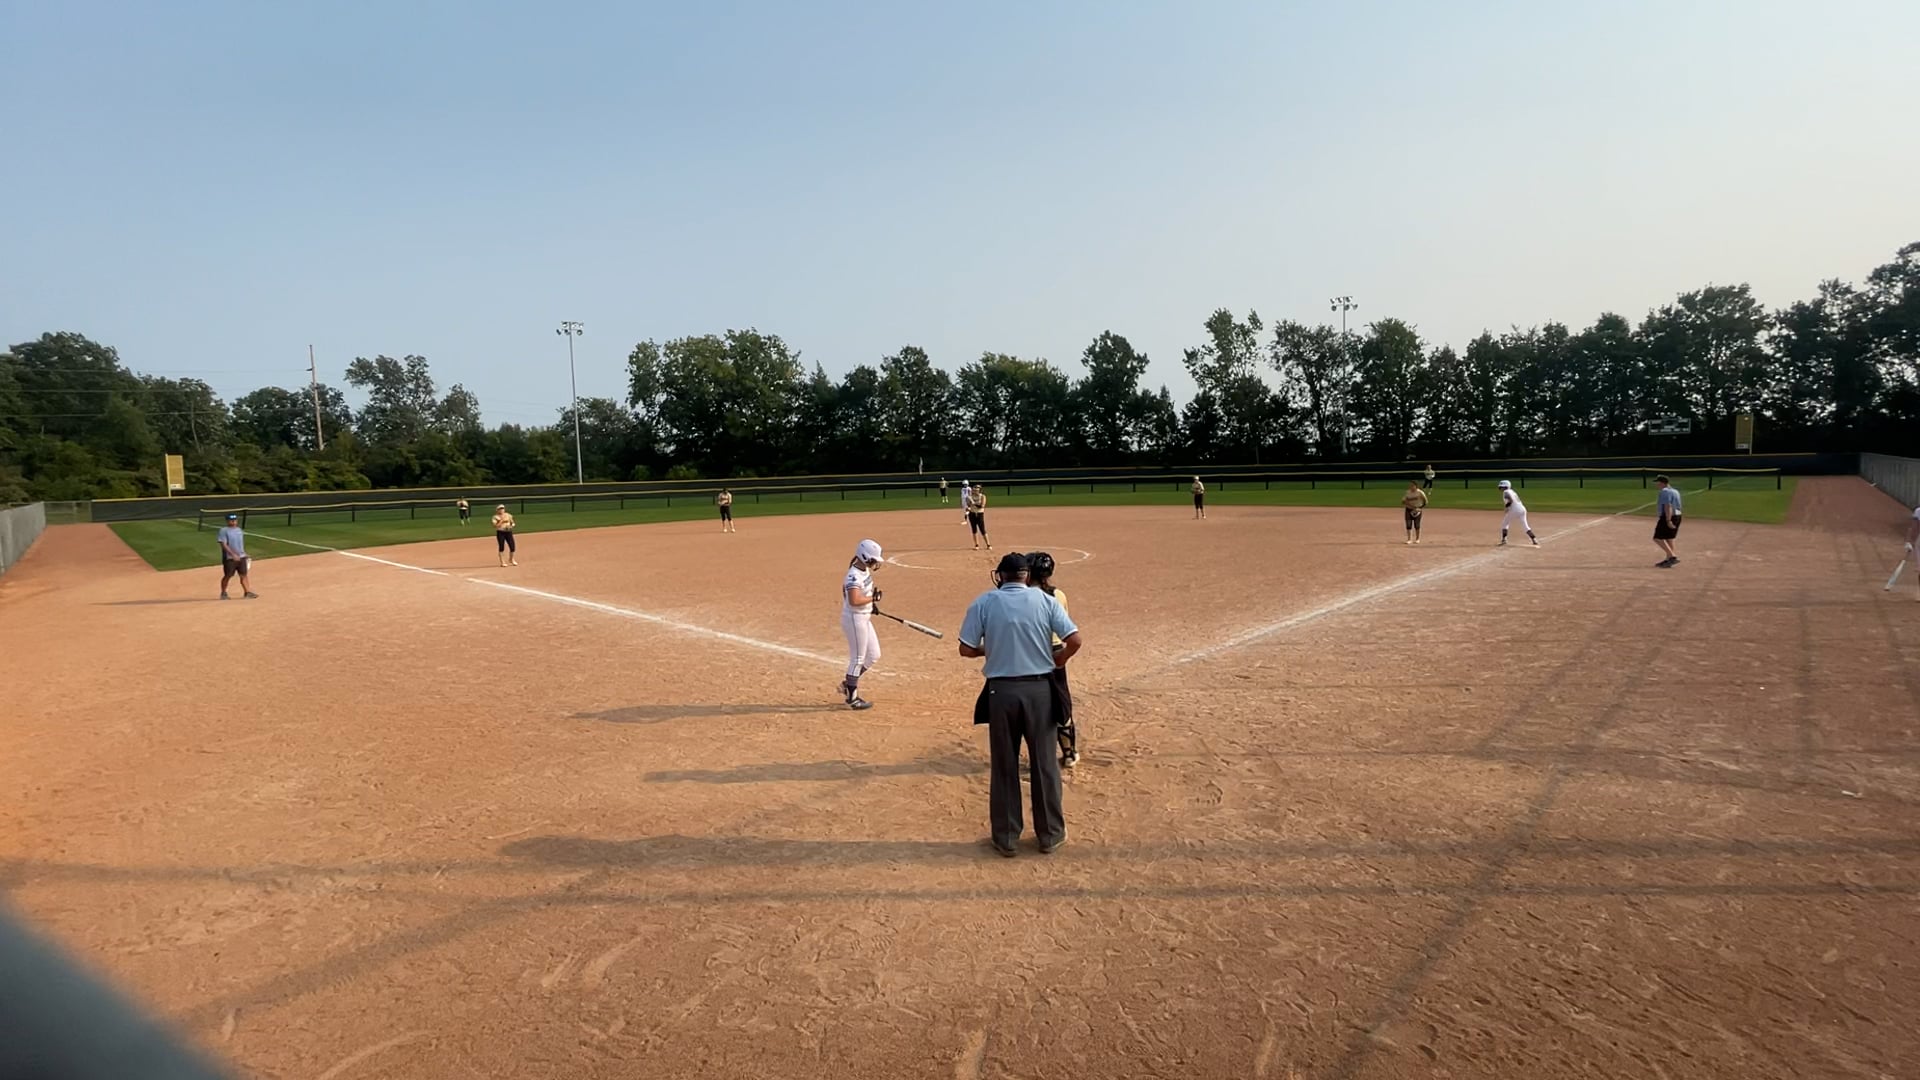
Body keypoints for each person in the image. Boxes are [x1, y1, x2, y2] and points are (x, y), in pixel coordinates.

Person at [960, 552, 1081, 856]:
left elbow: (966, 649)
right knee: (1045, 764)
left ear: (1001, 576)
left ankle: (1006, 836)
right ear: (1026, 576)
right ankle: (1050, 834)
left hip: (1001, 693)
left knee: (1004, 764)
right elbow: (1075, 640)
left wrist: (991, 648)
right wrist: (1058, 661)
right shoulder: (1046, 600)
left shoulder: (984, 602)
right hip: (1040, 690)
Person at [1028, 551, 1078, 769]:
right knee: (1061, 701)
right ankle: (1069, 753)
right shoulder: (1058, 595)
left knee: (1034, 706)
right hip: (1056, 651)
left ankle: (1040, 758)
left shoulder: (1026, 597)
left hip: (1031, 653)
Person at [839, 539, 884, 710]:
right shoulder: (854, 575)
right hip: (854, 619)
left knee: (873, 655)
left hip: (863, 616)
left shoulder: (863, 570)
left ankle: (848, 683)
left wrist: (871, 606)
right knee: (858, 658)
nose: (874, 563)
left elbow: (859, 596)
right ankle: (852, 698)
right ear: (864, 557)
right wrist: (872, 599)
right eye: (873, 560)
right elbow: (854, 600)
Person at [215, 513, 257, 600]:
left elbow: (240, 544)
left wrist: (244, 553)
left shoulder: (239, 530)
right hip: (230, 558)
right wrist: (233, 554)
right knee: (228, 575)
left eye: (234, 520)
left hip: (241, 557)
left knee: (243, 574)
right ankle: (223, 593)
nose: (233, 522)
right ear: (227, 521)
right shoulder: (224, 530)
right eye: (231, 520)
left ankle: (247, 592)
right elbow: (223, 544)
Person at [1653, 474, 1683, 568]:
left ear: (1662, 483)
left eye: (1658, 482)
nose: (1657, 484)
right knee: (1669, 538)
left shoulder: (1664, 491)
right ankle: (1668, 560)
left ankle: (1672, 556)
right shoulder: (1675, 491)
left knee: (1657, 538)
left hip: (1668, 516)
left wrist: (1668, 520)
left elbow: (1668, 505)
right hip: (1677, 515)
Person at [1496, 480, 1539, 547]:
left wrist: (1506, 507)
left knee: (1505, 523)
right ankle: (1534, 539)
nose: (1501, 488)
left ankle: (1504, 540)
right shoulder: (1512, 491)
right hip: (1522, 509)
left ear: (1506, 487)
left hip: (1514, 510)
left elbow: (1510, 500)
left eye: (1502, 487)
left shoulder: (1506, 492)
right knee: (1525, 526)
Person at [965, 483, 992, 550]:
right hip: (972, 514)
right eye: (974, 490)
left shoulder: (982, 496)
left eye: (977, 490)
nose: (975, 491)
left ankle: (988, 544)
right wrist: (968, 506)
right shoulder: (970, 497)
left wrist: (973, 503)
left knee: (982, 529)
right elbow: (968, 505)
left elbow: (982, 506)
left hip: (979, 514)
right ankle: (976, 545)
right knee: (974, 529)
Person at [1402, 479, 1429, 544]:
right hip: (1409, 509)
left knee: (1417, 524)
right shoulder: (1408, 492)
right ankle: (1409, 539)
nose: (1411, 487)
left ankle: (1417, 539)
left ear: (1416, 486)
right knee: (1408, 524)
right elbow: (1403, 501)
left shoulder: (1420, 493)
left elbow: (1426, 502)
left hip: (1417, 510)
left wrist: (1420, 508)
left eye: (1413, 485)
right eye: (1410, 485)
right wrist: (1406, 503)